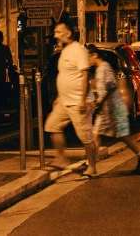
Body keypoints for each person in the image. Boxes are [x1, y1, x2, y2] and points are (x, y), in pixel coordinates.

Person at [87, 45, 140, 174]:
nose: (87, 60)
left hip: (114, 108)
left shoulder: (104, 68)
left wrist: (99, 101)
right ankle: (90, 165)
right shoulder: (101, 68)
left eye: (88, 57)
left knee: (123, 136)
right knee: (96, 135)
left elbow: (110, 86)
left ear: (94, 55)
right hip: (107, 109)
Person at [44, 21, 98, 178]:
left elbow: (84, 75)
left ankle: (92, 168)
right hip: (65, 102)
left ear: (68, 33)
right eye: (55, 32)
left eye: (59, 32)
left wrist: (82, 99)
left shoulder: (78, 51)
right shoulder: (64, 51)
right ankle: (61, 158)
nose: (55, 35)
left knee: (85, 137)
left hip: (78, 102)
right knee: (52, 126)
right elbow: (66, 75)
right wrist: (60, 97)